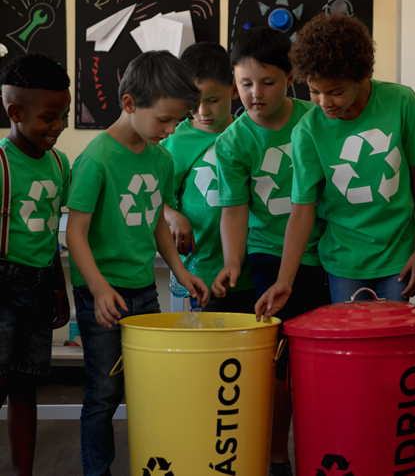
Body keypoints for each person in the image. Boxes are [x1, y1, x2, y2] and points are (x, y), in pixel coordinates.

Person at [66, 50, 210, 476]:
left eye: (177, 122)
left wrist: (181, 273)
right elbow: (75, 234)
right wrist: (97, 288)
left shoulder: (161, 159)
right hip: (103, 296)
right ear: (130, 103)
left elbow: (155, 223)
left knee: (151, 388)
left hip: (144, 291)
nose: (169, 131)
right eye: (163, 120)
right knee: (104, 394)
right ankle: (98, 471)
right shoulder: (95, 159)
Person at [256, 12, 415, 317]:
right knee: (353, 347)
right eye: (314, 91)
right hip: (343, 261)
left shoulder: (402, 102)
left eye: (336, 91)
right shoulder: (307, 131)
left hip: (397, 256)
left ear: (361, 75)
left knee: (390, 344)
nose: (324, 102)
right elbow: (303, 210)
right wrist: (284, 281)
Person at [212, 26, 329, 476]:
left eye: (268, 82)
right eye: (245, 83)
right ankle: (278, 456)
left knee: (316, 365)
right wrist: (233, 263)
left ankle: (324, 448)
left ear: (291, 77)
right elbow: (234, 211)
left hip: (322, 254)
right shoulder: (232, 143)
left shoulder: (315, 118)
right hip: (267, 257)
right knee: (279, 367)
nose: (255, 94)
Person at [0, 53, 71, 476]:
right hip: (3, 285)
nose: (58, 126)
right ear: (15, 112)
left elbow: (52, 236)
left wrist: (58, 287)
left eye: (62, 116)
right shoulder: (3, 163)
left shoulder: (60, 164)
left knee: (26, 387)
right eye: (49, 117)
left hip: (40, 283)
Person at [161, 41, 255, 311]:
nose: (203, 111)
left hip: (252, 270)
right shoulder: (175, 142)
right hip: (203, 273)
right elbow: (156, 200)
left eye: (213, 100)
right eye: (194, 102)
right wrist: (174, 215)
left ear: (234, 90)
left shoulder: (247, 133)